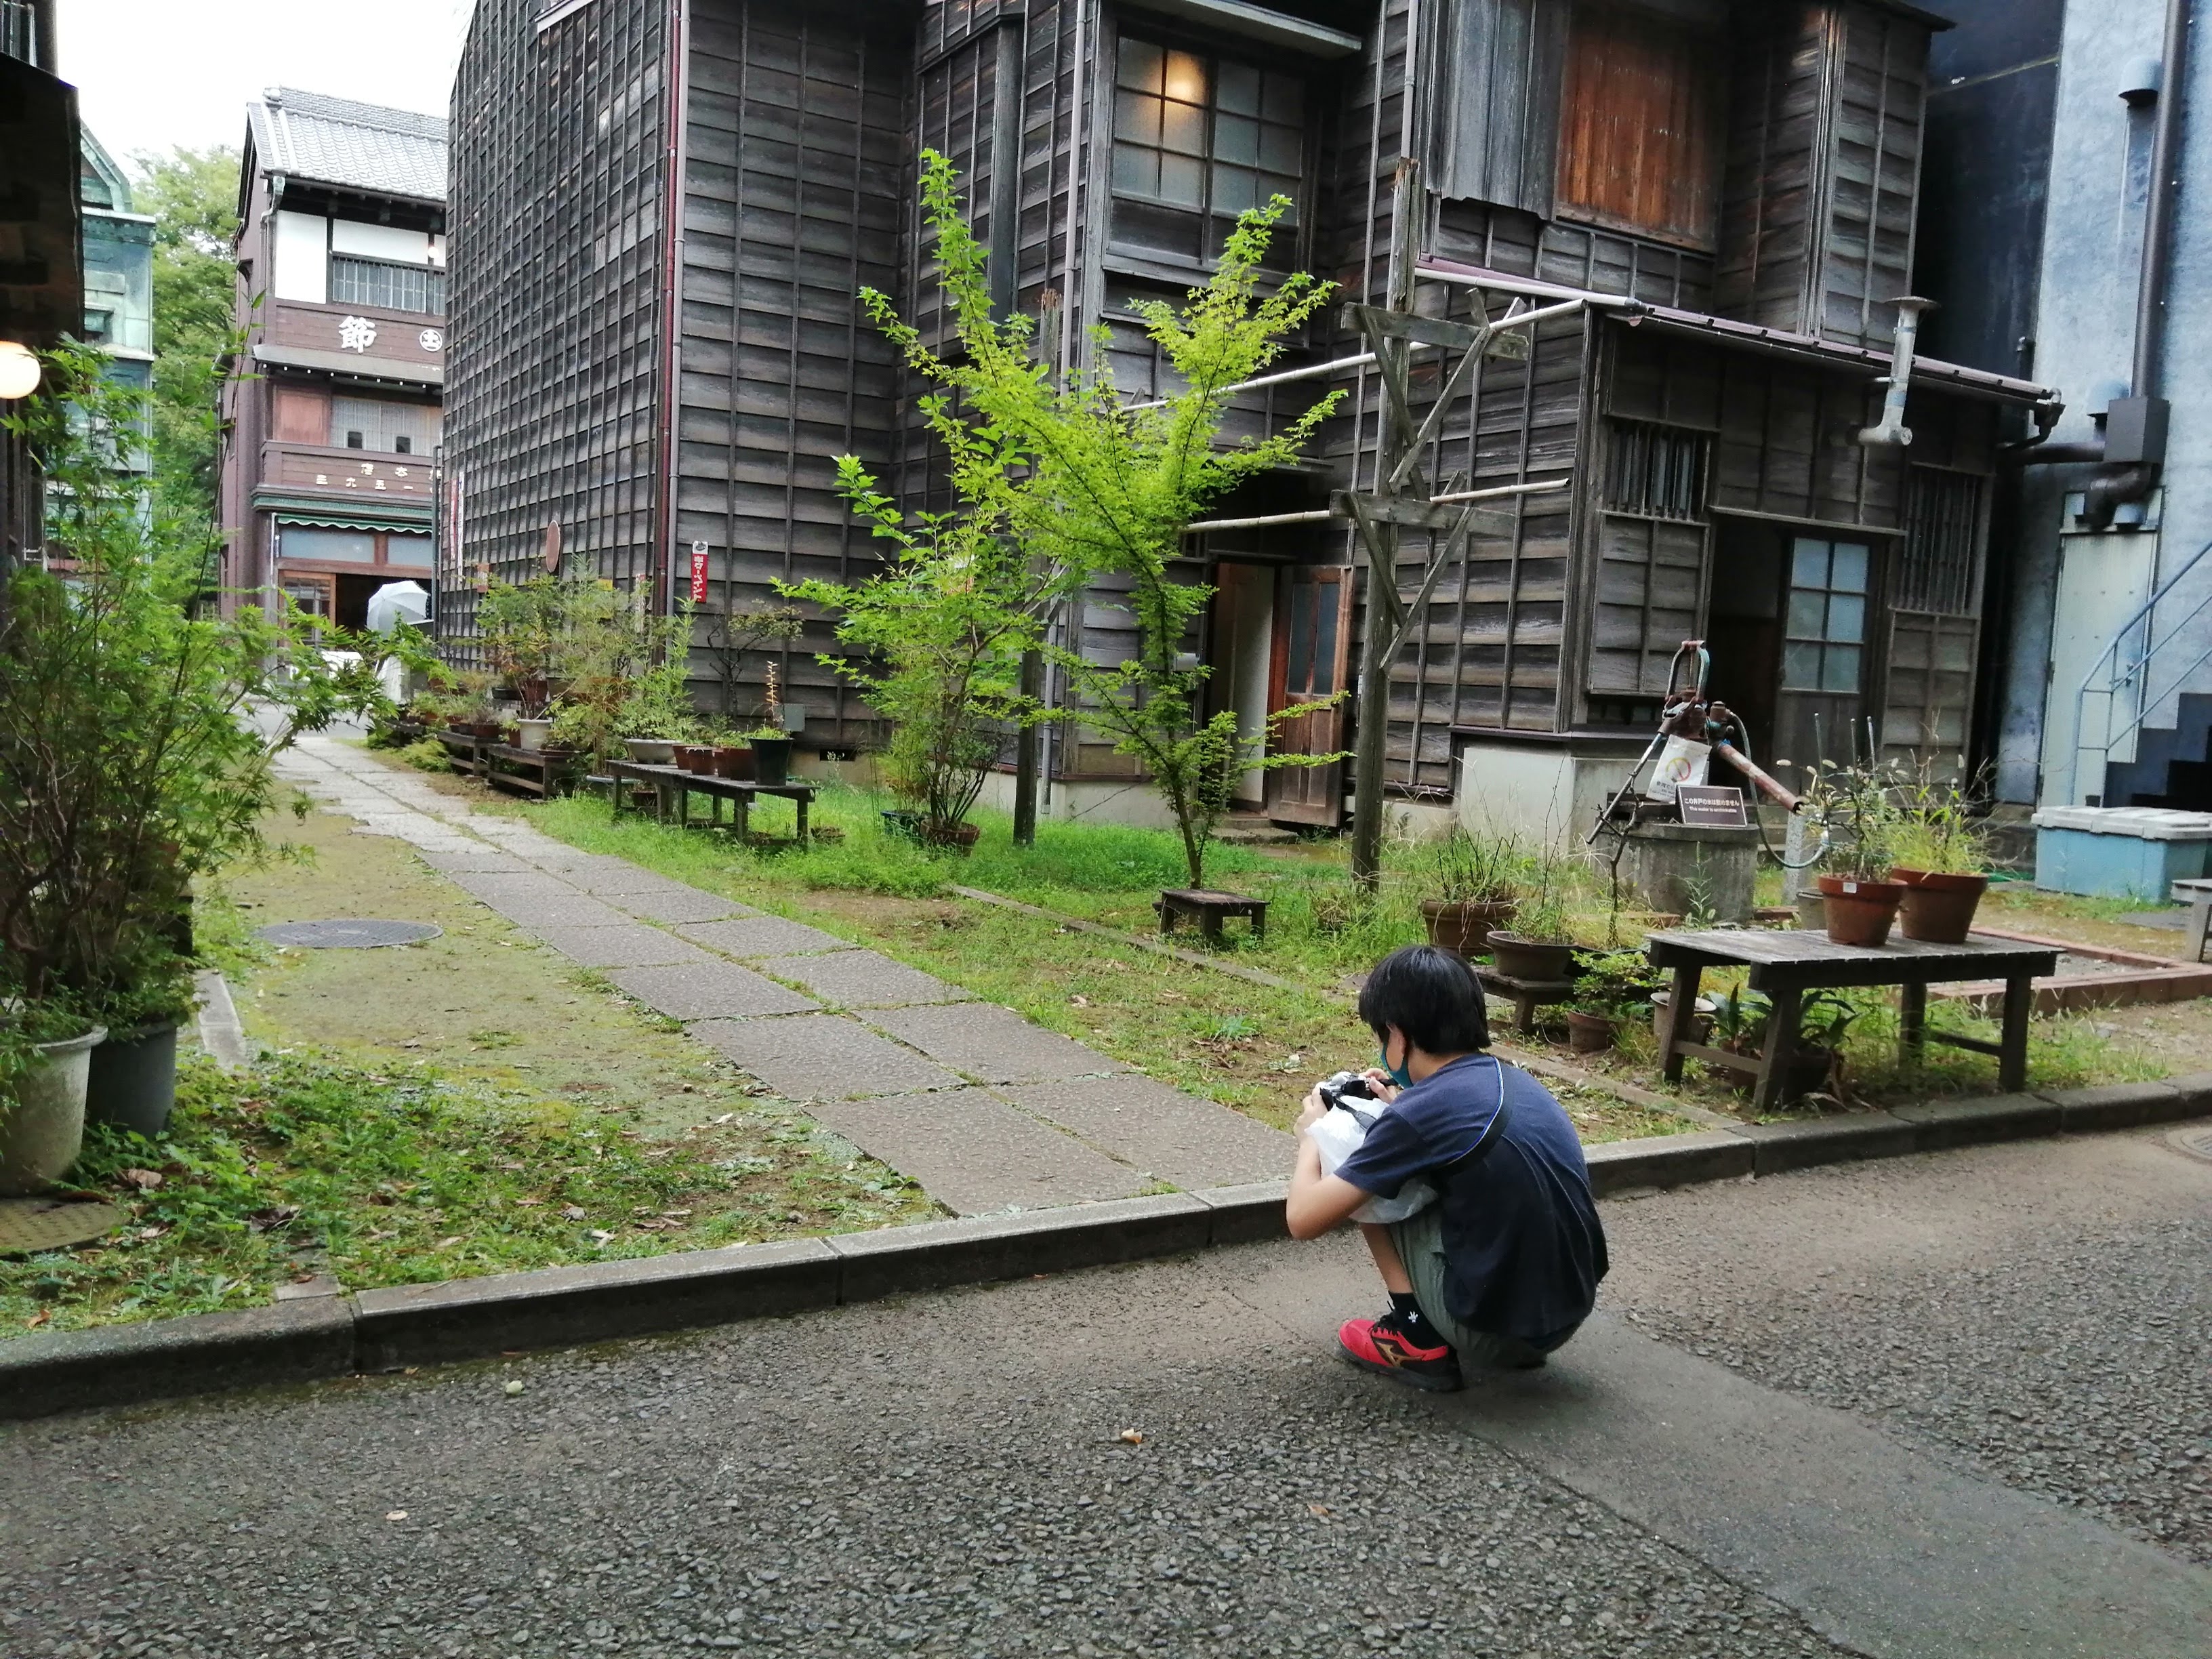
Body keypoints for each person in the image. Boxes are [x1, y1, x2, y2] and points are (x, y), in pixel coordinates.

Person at [1286, 943, 1607, 1393]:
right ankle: (1487, 1322)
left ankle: (1415, 1337)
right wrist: (1404, 1107)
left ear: (1398, 1036)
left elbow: (1303, 1219)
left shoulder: (1418, 1116)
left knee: (1361, 1171)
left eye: (1382, 1036)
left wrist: (1314, 1137)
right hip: (1563, 1319)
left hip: (1497, 1338)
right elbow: (1451, 1129)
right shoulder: (1510, 1077)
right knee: (1400, 1167)